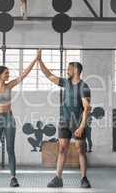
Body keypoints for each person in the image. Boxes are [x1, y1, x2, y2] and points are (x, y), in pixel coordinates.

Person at [0, 51, 40, 187]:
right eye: (6, 73)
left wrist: (35, 60)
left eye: (8, 73)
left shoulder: (9, 86)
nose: (8, 75)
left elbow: (23, 75)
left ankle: (13, 177)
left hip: (8, 118)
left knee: (10, 148)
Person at [37, 51, 92, 188]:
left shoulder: (83, 87)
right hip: (64, 121)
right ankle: (58, 178)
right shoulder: (65, 83)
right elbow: (49, 75)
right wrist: (39, 60)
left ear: (76, 70)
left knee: (80, 149)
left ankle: (84, 179)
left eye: (69, 68)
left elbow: (87, 108)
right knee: (62, 149)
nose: (67, 71)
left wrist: (81, 126)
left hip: (78, 122)